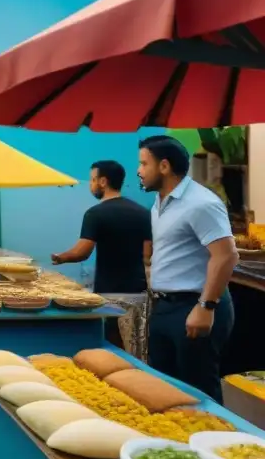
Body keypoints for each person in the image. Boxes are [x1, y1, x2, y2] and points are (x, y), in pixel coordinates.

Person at [138, 135, 238, 403]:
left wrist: (206, 306)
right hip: (165, 306)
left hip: (196, 305)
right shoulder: (160, 203)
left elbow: (226, 255)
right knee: (164, 389)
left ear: (164, 166)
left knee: (198, 392)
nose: (138, 171)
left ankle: (213, 442)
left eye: (144, 163)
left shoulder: (201, 203)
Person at [52, 160, 153, 349]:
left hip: (110, 293)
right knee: (136, 348)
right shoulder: (143, 213)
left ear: (103, 182)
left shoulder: (96, 213)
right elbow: (148, 254)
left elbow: (82, 252)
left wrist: (61, 257)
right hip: (138, 292)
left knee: (112, 346)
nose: (91, 185)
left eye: (92, 180)